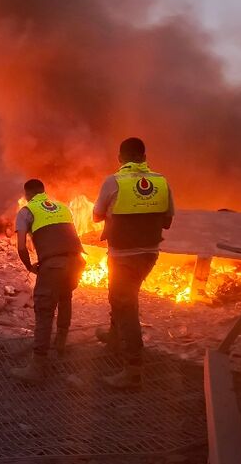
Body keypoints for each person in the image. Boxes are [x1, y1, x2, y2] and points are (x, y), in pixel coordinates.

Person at [92, 137, 174, 388]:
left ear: (121, 157)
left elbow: (96, 216)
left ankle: (133, 370)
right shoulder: (161, 182)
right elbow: (167, 221)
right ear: (144, 156)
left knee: (126, 306)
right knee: (120, 297)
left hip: (123, 256)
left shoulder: (114, 181)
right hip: (149, 254)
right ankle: (115, 337)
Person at [10, 179, 85, 382]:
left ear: (27, 195)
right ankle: (60, 344)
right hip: (77, 260)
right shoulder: (63, 207)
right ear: (44, 192)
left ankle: (38, 366)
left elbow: (21, 247)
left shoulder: (26, 211)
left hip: (53, 264)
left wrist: (29, 266)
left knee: (43, 309)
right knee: (65, 295)